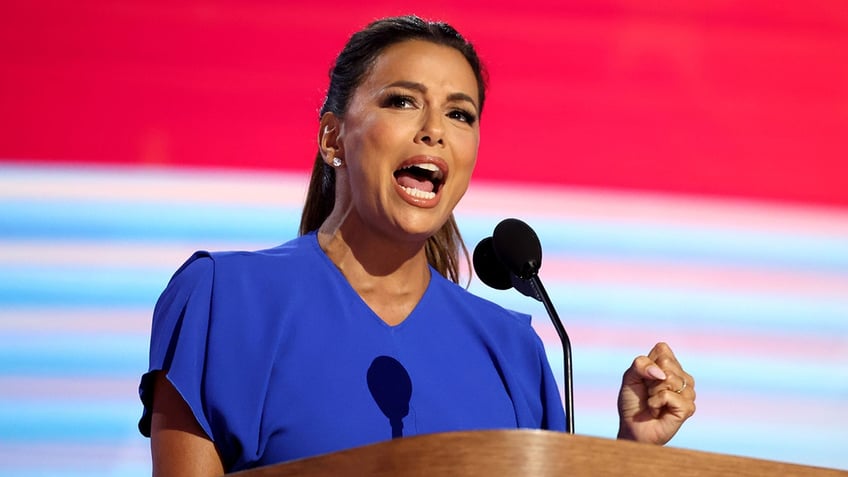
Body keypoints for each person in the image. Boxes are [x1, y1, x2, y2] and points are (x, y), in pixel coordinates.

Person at [138, 14, 696, 476]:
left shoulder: (513, 351)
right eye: (403, 101)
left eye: (460, 114)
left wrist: (630, 454)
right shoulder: (225, 299)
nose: (435, 130)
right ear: (333, 137)